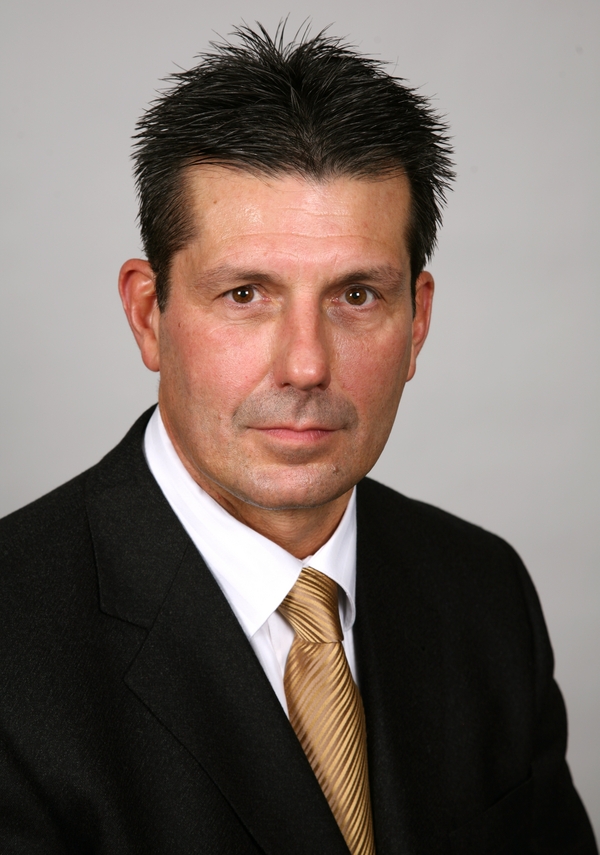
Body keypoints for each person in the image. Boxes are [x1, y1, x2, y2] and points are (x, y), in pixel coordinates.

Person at [0, 23, 596, 855]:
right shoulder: (14, 643)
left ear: (417, 321)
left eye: (357, 295)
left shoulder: (484, 595)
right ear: (148, 315)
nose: (307, 364)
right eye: (246, 293)